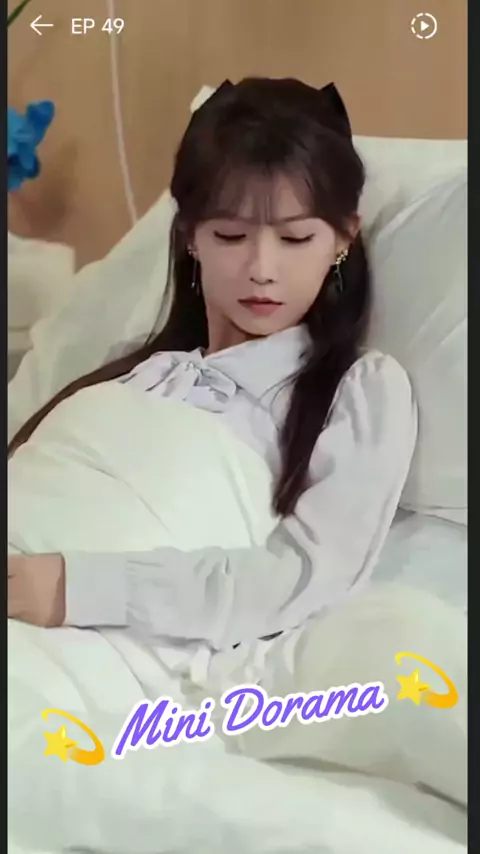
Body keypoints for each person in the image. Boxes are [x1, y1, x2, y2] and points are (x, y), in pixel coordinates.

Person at [7, 77, 417, 649]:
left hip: (85, 640)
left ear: (343, 239)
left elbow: (302, 580)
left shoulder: (357, 391)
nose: (262, 269)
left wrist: (78, 589)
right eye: (230, 235)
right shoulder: (133, 366)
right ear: (190, 237)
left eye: (295, 239)